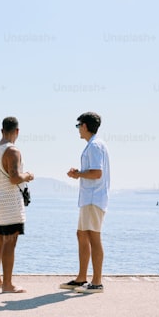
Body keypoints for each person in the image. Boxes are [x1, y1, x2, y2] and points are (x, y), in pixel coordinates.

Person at [63, 112, 110, 293]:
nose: (78, 130)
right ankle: (82, 277)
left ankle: (97, 282)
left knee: (93, 237)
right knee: (82, 234)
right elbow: (94, 171)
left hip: (94, 198)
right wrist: (80, 173)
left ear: (84, 126)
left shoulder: (95, 146)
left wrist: (78, 174)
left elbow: (97, 173)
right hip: (89, 198)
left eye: (78, 126)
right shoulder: (94, 145)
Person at [0, 116, 35, 293]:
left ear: (2, 130)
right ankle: (8, 285)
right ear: (17, 131)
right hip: (10, 201)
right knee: (10, 241)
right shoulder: (13, 151)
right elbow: (15, 178)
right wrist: (28, 175)